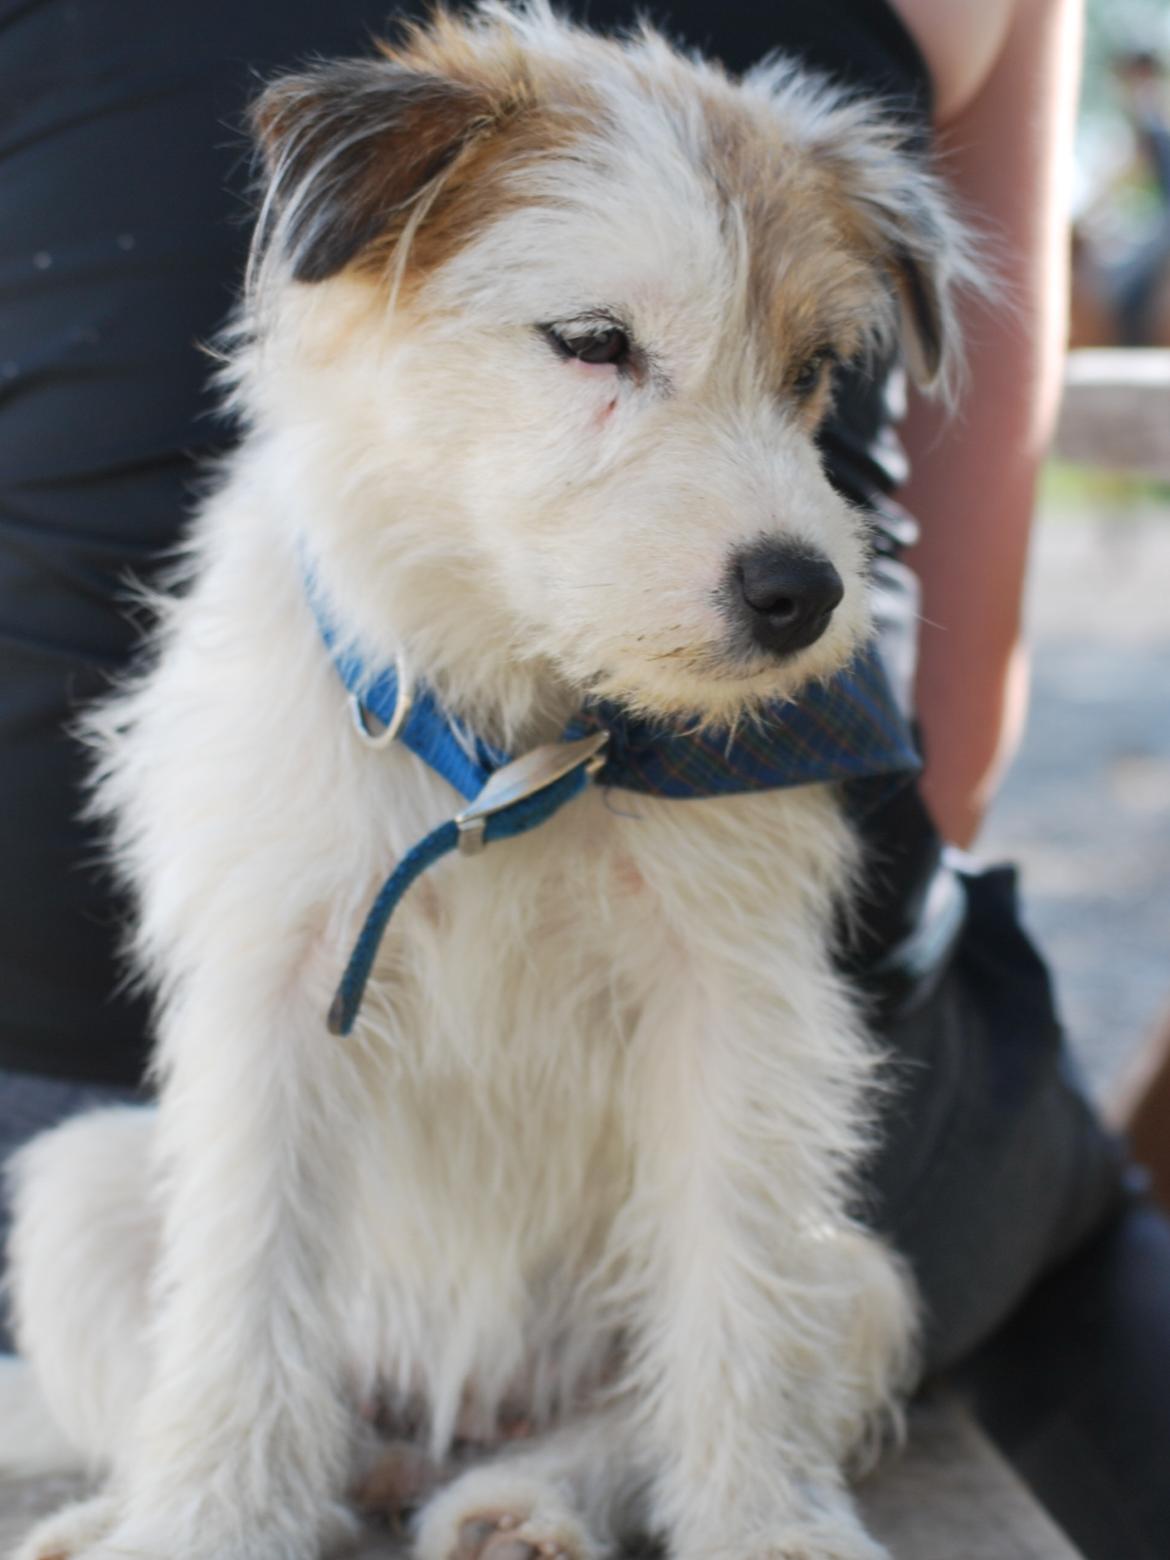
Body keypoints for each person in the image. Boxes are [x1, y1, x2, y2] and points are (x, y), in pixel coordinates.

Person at [1, 2, 1167, 1556]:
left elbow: (743, 1054)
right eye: (600, 350)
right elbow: (257, 1052)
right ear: (359, 271)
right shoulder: (270, 647)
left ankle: (669, 1480)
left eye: (803, 374)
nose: (778, 529)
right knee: (87, 1206)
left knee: (843, 1287)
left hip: (621, 1290)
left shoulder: (732, 694)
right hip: (340, 1282)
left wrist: (757, 1500)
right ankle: (216, 1479)